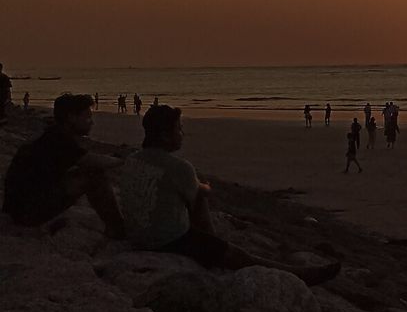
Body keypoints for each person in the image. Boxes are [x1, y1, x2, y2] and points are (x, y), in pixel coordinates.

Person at [119, 105, 340, 284]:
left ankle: (214, 246)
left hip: (137, 234)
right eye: (179, 129)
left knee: (195, 196)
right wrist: (205, 188)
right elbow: (197, 193)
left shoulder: (133, 159)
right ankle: (298, 274)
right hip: (166, 241)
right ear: (166, 136)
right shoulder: (179, 167)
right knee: (240, 256)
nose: (182, 134)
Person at [2, 93, 126, 238]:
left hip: (21, 206)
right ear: (71, 117)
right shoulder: (58, 140)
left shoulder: (53, 135)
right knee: (94, 177)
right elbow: (91, 160)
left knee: (84, 173)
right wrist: (123, 161)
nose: (91, 122)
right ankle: (118, 230)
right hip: (26, 212)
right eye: (87, 117)